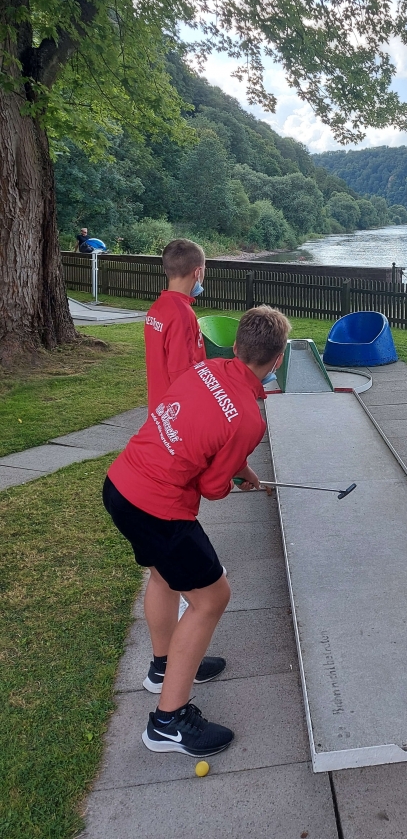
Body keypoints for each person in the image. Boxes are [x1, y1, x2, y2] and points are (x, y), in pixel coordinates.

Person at [103, 305, 290, 756]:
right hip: (157, 509)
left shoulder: (204, 369)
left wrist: (240, 467)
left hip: (120, 485)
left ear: (236, 345)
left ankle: (164, 667)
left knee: (164, 575)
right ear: (278, 359)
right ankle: (168, 723)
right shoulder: (249, 419)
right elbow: (211, 487)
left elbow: (200, 430)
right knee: (212, 597)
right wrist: (232, 476)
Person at [144, 239, 207, 413]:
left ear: (167, 270)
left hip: (159, 406)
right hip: (177, 413)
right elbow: (182, 374)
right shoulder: (182, 314)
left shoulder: (157, 307)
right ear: (198, 272)